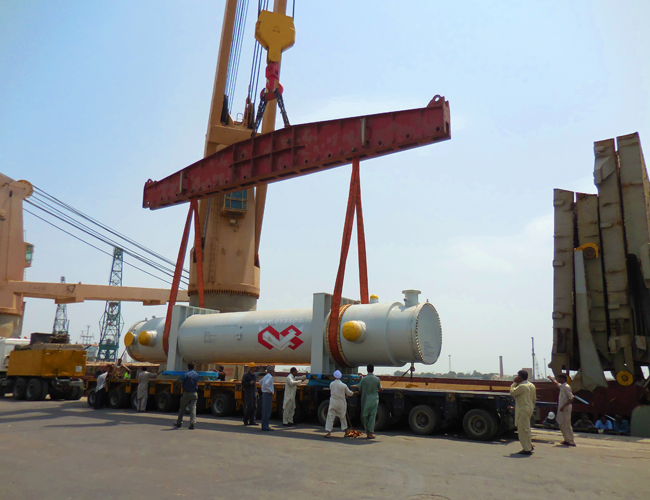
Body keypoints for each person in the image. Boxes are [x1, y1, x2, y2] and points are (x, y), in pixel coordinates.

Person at [510, 369, 536, 455]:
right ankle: (529, 445)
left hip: (523, 409)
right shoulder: (531, 385)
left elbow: (512, 392)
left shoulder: (522, 386)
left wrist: (514, 383)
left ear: (520, 377)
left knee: (523, 430)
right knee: (526, 428)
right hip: (529, 408)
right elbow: (533, 399)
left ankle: (526, 449)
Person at [324, 370, 354, 438]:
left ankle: (329, 433)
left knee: (330, 417)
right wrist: (353, 393)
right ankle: (346, 433)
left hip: (333, 403)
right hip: (341, 403)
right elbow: (349, 393)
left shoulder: (331, 384)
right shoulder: (343, 385)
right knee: (343, 418)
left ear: (334, 377)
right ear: (340, 377)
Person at [548, 374, 575, 446]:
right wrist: (551, 379)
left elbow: (571, 398)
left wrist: (563, 406)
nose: (558, 380)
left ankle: (571, 441)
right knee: (561, 424)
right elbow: (557, 384)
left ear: (562, 379)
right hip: (562, 408)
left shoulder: (566, 387)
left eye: (559, 378)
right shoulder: (562, 386)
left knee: (567, 424)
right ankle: (566, 439)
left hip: (566, 408)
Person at [357, 364, 382, 439]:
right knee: (372, 416)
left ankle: (367, 432)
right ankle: (370, 433)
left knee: (365, 416)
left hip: (365, 400)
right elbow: (380, 388)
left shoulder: (363, 379)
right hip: (374, 400)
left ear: (367, 370)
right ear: (373, 370)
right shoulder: (377, 379)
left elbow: (360, 389)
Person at [173, 363, 199, 430]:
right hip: (194, 393)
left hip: (187, 393)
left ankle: (179, 422)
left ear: (188, 367)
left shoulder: (186, 375)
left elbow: (182, 383)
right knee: (193, 408)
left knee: (182, 408)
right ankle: (192, 422)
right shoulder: (196, 375)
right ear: (194, 367)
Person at [259, 366, 275, 431]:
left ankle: (264, 425)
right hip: (267, 394)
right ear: (271, 371)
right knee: (267, 410)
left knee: (264, 410)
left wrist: (263, 388)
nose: (274, 371)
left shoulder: (266, 376)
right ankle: (266, 426)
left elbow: (260, 382)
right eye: (273, 370)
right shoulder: (270, 377)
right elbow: (266, 384)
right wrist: (270, 390)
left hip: (264, 394)